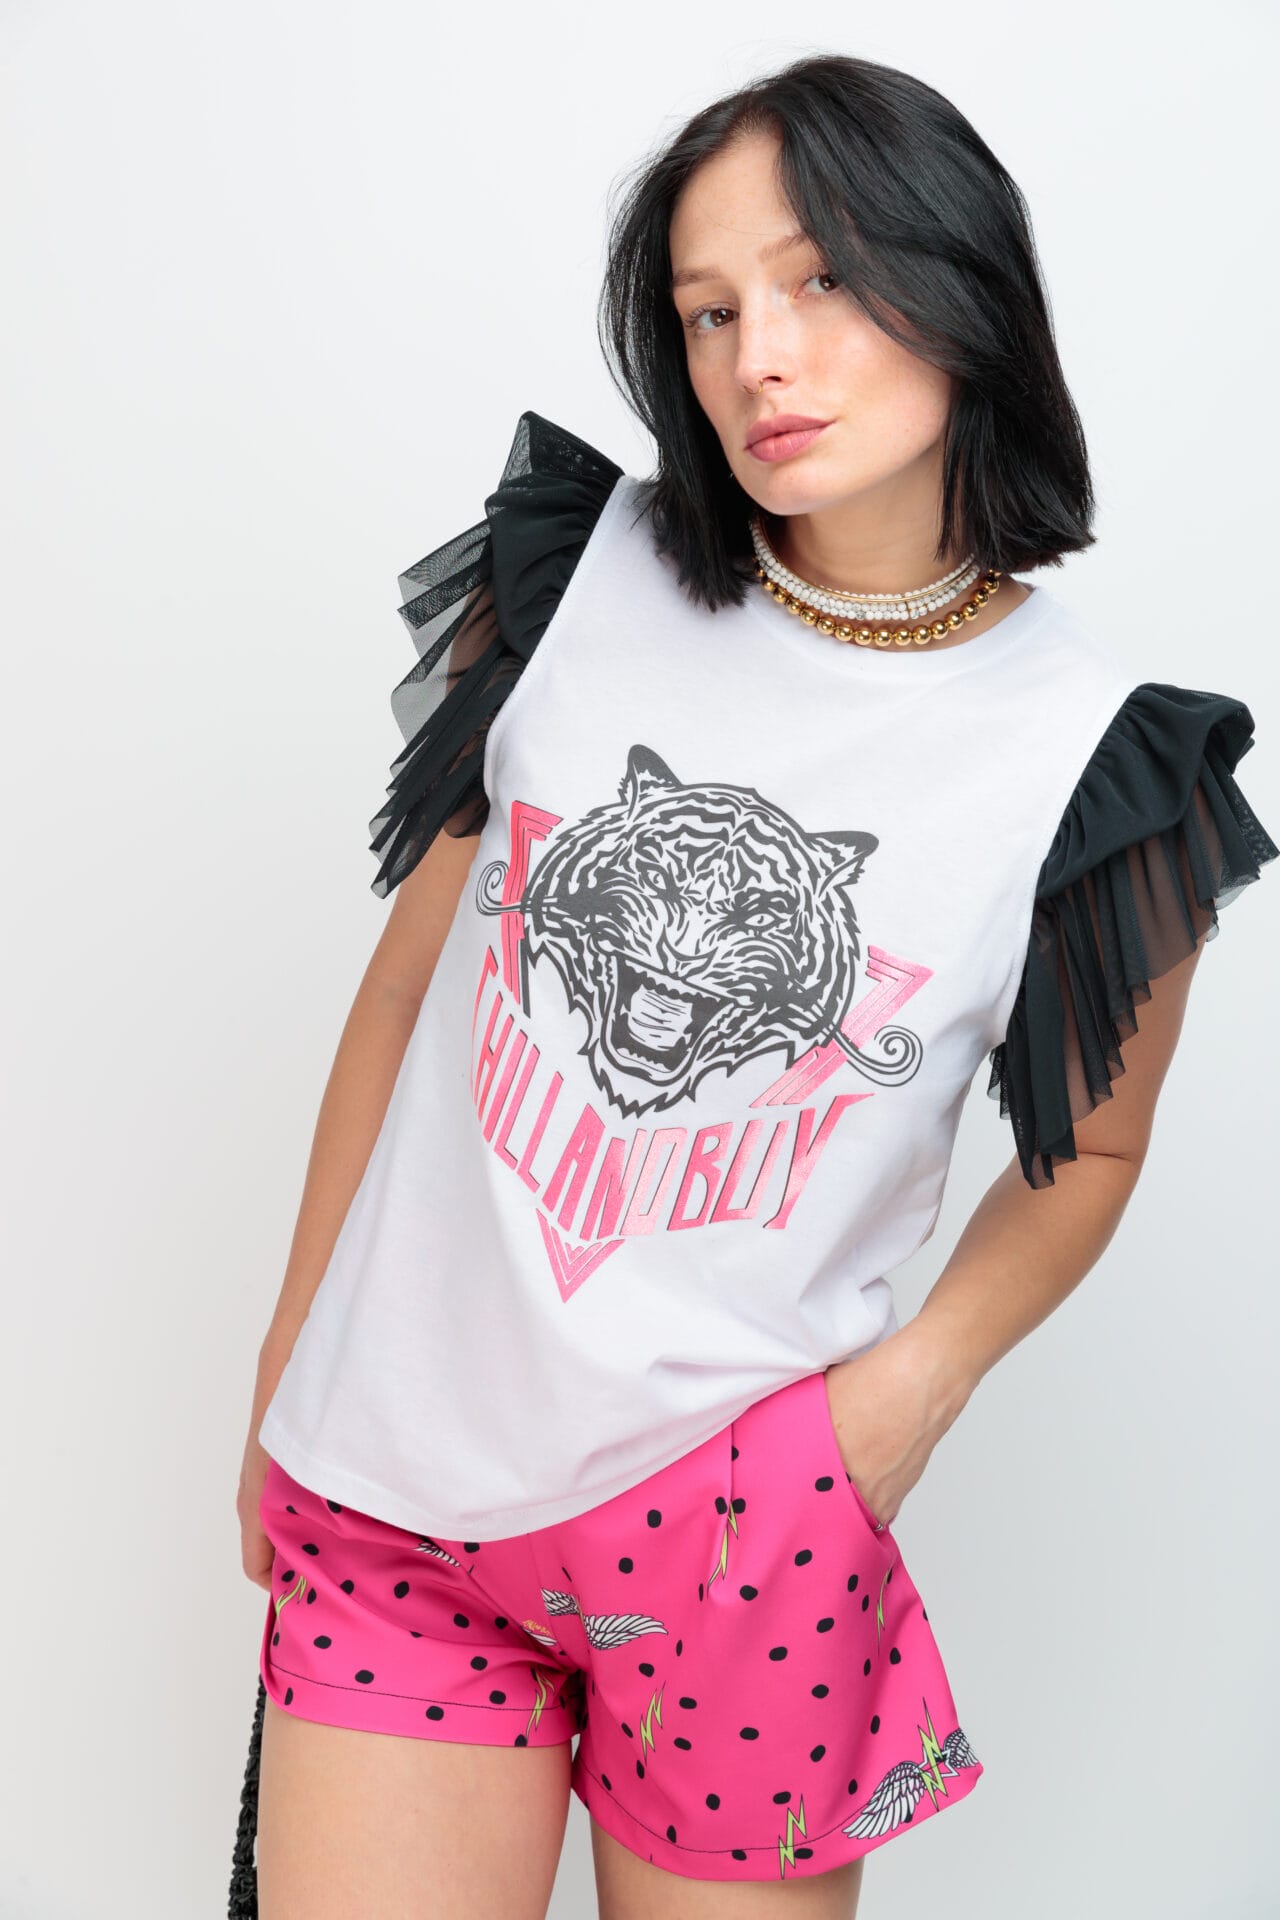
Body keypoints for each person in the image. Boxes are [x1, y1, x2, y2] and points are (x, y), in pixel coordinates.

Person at [228, 52, 1276, 1920]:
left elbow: (1091, 1159)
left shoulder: (1101, 762)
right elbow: (403, 995)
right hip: (394, 1495)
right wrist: (289, 1371)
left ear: (961, 284)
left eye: (819, 282)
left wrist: (900, 1404)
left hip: (743, 1538)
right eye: (709, 313)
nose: (757, 362)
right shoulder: (579, 576)